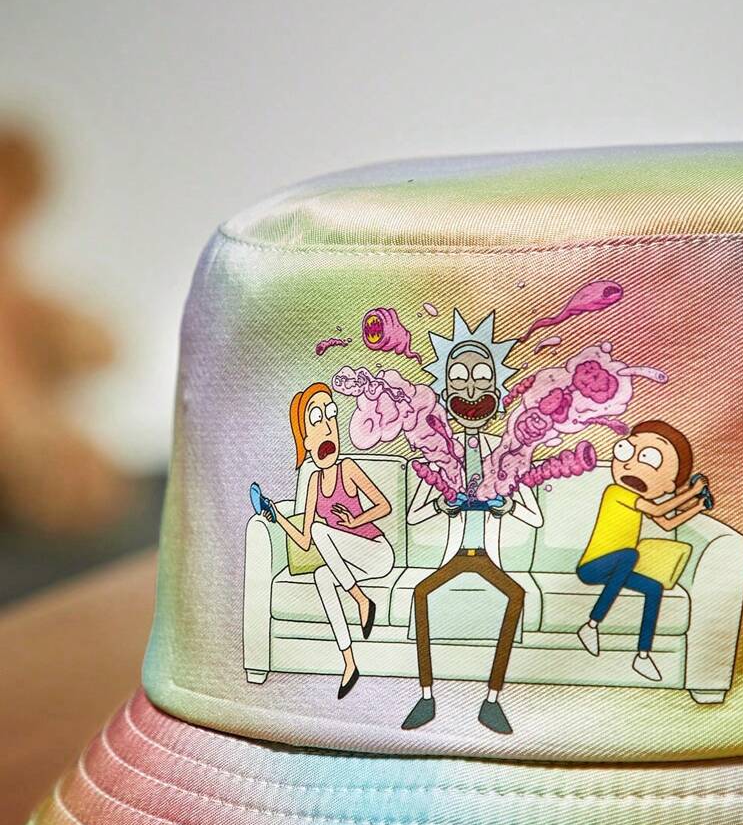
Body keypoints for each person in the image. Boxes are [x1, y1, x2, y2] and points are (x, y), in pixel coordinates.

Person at [402, 311, 543, 736]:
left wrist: (507, 505)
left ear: (497, 394)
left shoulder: (507, 452)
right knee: (421, 593)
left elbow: (534, 516)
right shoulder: (438, 453)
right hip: (455, 557)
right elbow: (413, 515)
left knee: (515, 595)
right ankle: (426, 696)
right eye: (459, 381)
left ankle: (492, 700)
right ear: (445, 395)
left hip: (487, 559)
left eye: (482, 380)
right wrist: (443, 505)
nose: (470, 392)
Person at [250, 383, 393, 699]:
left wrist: (355, 521)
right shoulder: (314, 481)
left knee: (320, 531)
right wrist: (277, 517)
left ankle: (360, 599)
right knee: (321, 575)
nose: (328, 427)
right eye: (317, 420)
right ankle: (349, 662)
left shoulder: (348, 469)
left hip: (376, 553)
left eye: (331, 416)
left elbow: (384, 506)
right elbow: (304, 541)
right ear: (306, 440)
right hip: (350, 562)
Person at [576, 420, 710, 680]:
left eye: (649, 458)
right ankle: (591, 625)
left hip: (616, 569)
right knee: (631, 553)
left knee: (653, 587)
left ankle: (643, 656)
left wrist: (698, 506)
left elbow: (667, 522)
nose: (630, 464)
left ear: (668, 484)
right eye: (627, 450)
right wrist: (692, 491)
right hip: (593, 567)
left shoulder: (640, 501)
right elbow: (659, 509)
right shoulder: (616, 492)